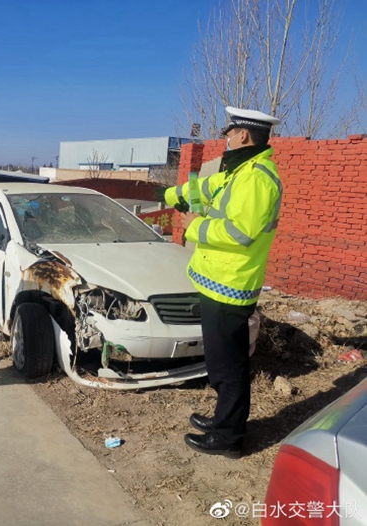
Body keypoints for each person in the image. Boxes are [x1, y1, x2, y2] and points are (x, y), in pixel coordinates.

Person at [164, 107, 282, 458]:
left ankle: (229, 436)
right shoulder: (240, 170)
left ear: (243, 135)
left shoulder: (258, 178)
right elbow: (204, 187)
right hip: (217, 282)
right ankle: (222, 419)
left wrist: (193, 225)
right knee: (220, 361)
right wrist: (168, 196)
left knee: (228, 365)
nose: (225, 137)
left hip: (231, 286)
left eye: (228, 131)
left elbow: (239, 233)